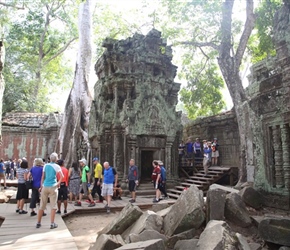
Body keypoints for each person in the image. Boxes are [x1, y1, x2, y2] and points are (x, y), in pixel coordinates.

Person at [36, 152, 63, 229]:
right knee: (53, 206)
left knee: (42, 205)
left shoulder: (45, 165)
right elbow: (62, 176)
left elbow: (43, 177)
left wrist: (41, 186)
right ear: (56, 159)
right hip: (53, 187)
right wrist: (58, 183)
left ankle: (38, 222)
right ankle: (52, 223)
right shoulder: (57, 166)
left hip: (45, 186)